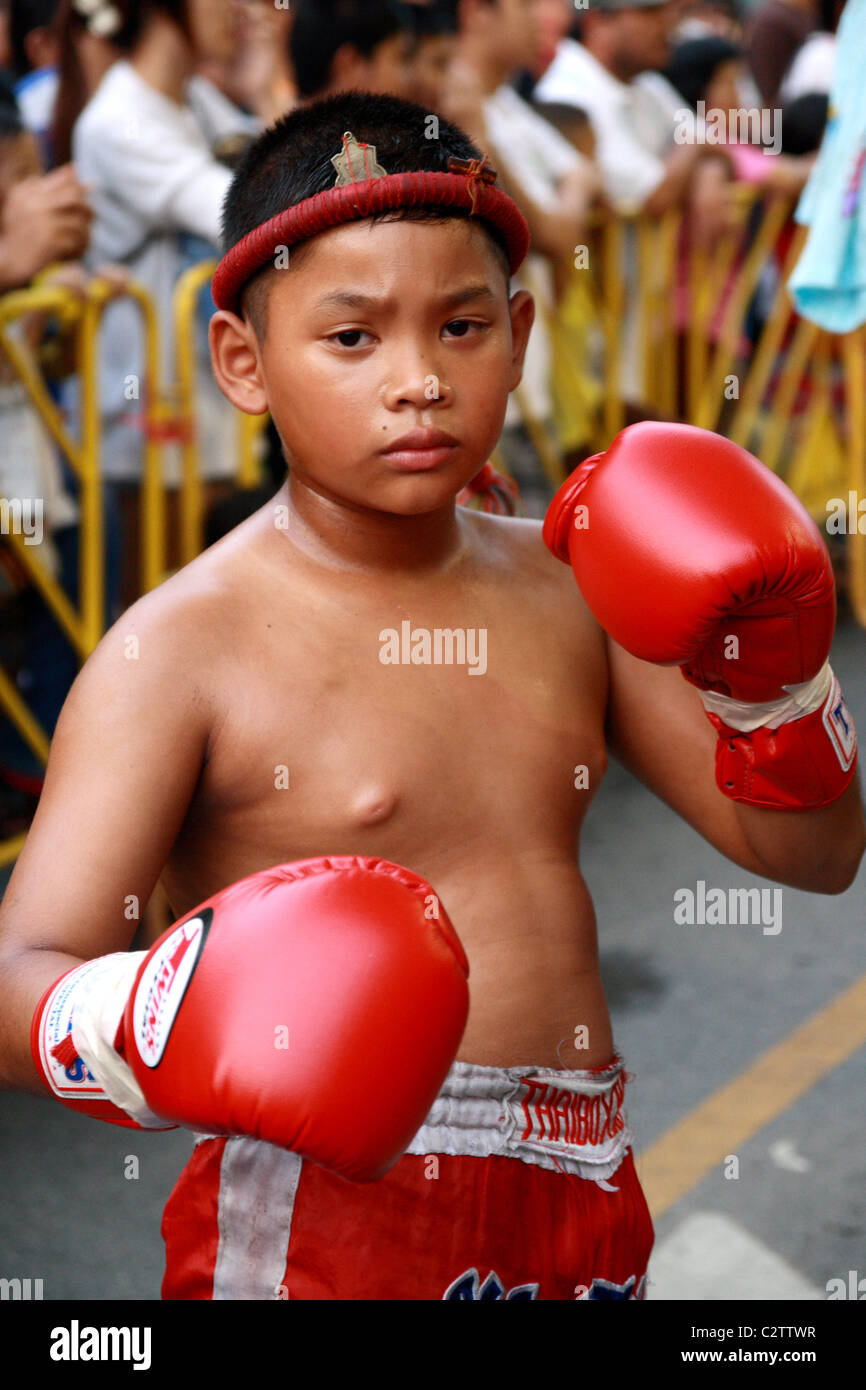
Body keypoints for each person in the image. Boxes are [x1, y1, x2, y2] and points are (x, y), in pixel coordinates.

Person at [1, 90, 863, 1301]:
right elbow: (21, 967)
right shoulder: (181, 651)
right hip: (319, 1212)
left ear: (517, 333)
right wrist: (163, 1014)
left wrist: (775, 682)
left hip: (579, 1186)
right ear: (242, 363)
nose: (416, 380)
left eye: (460, 328)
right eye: (351, 338)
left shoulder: (570, 589)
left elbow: (815, 854)